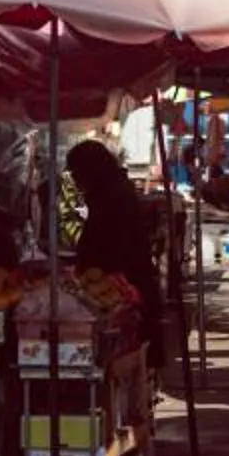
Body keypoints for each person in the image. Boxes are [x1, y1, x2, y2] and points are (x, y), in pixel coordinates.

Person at [67, 141, 164, 363]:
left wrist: (88, 265)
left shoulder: (111, 195)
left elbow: (108, 242)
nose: (74, 178)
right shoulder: (112, 189)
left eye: (76, 172)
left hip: (124, 279)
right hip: (125, 277)